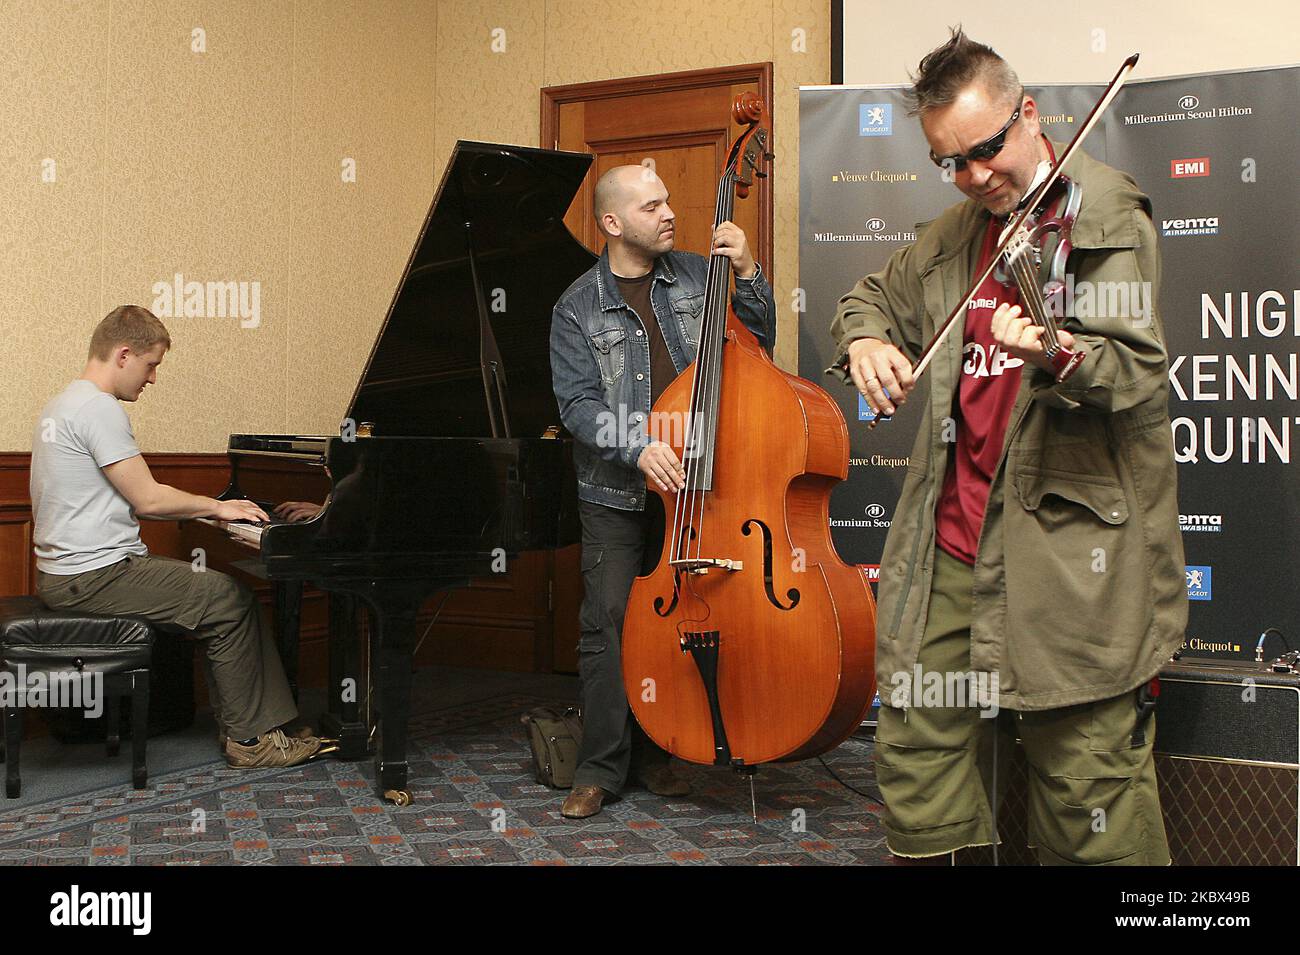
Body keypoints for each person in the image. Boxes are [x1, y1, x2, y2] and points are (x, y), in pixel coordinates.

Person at [829, 30, 1186, 864]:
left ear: (1027, 114)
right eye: (949, 161)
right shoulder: (957, 231)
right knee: (917, 757)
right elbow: (870, 295)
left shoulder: (1104, 213)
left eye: (986, 150)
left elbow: (1136, 369)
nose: (974, 176)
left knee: (1086, 781)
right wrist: (867, 342)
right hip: (949, 546)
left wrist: (1057, 355)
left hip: (1066, 555)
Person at [550, 165, 777, 818]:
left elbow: (759, 342)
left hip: (703, 485)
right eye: (652, 206)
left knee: (682, 619)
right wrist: (637, 443)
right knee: (611, 623)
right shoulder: (576, 306)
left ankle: (661, 752)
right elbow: (577, 405)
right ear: (614, 222)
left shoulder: (701, 274)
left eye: (669, 200)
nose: (670, 212)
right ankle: (599, 768)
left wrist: (751, 274)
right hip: (618, 492)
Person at [30, 305, 326, 768]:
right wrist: (217, 507)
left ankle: (262, 726)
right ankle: (251, 741)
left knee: (223, 597)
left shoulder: (63, 403)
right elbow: (148, 500)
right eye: (151, 366)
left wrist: (213, 514)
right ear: (124, 354)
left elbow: (122, 498)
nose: (151, 379)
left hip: (67, 572)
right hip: (93, 575)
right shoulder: (98, 409)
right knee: (230, 599)